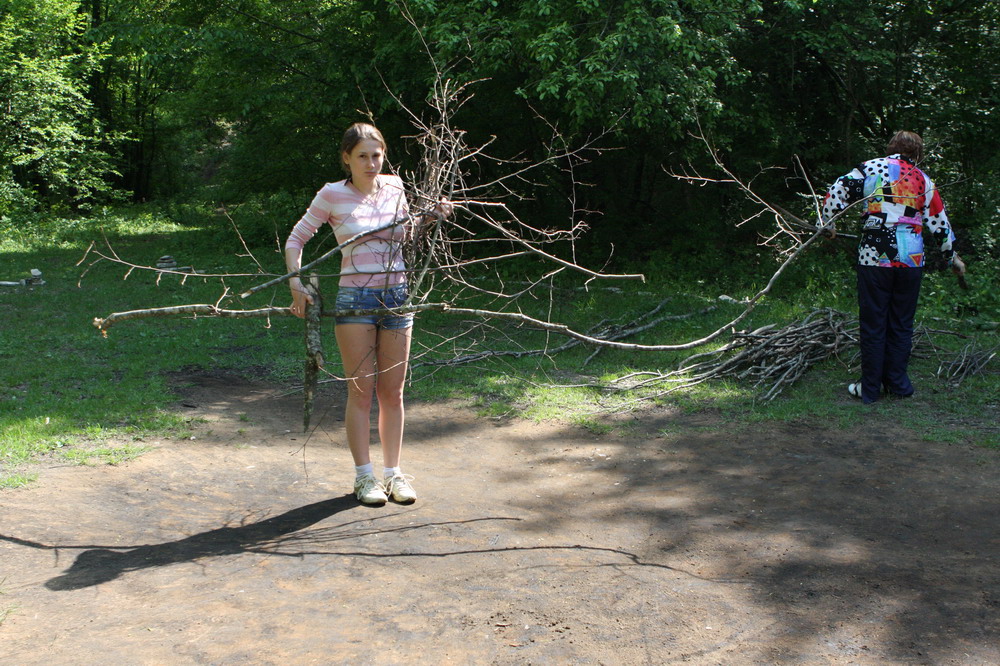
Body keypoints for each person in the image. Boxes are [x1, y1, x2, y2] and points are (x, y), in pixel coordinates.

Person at [285, 122, 449, 505]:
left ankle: (394, 475)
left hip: (397, 298)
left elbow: (405, 235)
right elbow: (296, 239)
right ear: (347, 158)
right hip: (355, 300)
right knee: (360, 392)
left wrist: (431, 217)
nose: (371, 163)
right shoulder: (332, 195)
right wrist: (296, 284)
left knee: (393, 392)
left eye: (376, 155)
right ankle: (364, 478)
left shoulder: (394, 187)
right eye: (362, 156)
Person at [820, 130, 966, 404]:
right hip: (911, 260)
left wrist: (828, 225)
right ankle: (898, 385)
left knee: (874, 323)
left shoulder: (869, 169)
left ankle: (870, 389)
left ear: (890, 148)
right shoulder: (923, 180)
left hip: (874, 258)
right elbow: (939, 223)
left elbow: (836, 190)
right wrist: (952, 258)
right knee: (901, 323)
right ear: (918, 154)